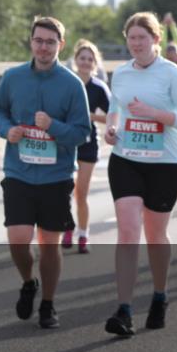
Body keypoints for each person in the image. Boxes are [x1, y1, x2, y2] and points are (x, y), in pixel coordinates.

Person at [0, 17, 91, 329]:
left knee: (49, 245)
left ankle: (48, 303)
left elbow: (81, 133)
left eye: (50, 42)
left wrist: (53, 126)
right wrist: (8, 131)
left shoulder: (73, 85)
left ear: (60, 45)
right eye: (39, 40)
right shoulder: (13, 77)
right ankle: (28, 282)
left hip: (56, 177)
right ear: (31, 42)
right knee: (18, 240)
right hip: (18, 172)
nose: (43, 47)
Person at [103, 12, 177, 337]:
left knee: (155, 235)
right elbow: (115, 107)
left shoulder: (173, 74)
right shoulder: (121, 73)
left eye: (142, 38)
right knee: (128, 230)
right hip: (126, 159)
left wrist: (156, 114)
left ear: (156, 39)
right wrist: (112, 127)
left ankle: (159, 295)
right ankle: (124, 309)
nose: (136, 44)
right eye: (131, 38)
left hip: (165, 164)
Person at [65, 39, 110, 254]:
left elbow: (113, 117)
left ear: (95, 63)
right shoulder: (66, 83)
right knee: (64, 191)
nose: (85, 62)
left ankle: (83, 234)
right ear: (76, 60)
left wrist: (91, 116)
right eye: (82, 58)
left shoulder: (99, 88)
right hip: (65, 143)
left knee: (81, 193)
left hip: (88, 145)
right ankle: (66, 227)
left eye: (90, 59)